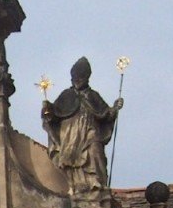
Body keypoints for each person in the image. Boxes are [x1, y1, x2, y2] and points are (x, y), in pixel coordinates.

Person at [40, 57, 123, 194]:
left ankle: (96, 182)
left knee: (95, 150)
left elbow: (106, 114)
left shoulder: (93, 96)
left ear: (86, 78)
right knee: (69, 159)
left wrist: (115, 108)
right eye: (75, 78)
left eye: (80, 78)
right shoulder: (66, 95)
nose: (77, 81)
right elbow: (53, 115)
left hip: (90, 131)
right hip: (70, 135)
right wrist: (47, 109)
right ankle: (74, 185)